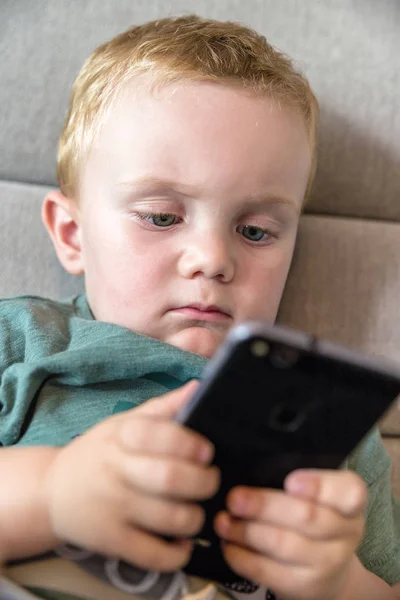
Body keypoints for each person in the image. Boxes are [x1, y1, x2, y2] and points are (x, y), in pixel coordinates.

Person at [0, 14, 399, 600]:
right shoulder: (24, 341)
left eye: (257, 231)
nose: (213, 259)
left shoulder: (329, 410)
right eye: (161, 217)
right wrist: (54, 493)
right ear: (71, 233)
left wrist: (339, 582)